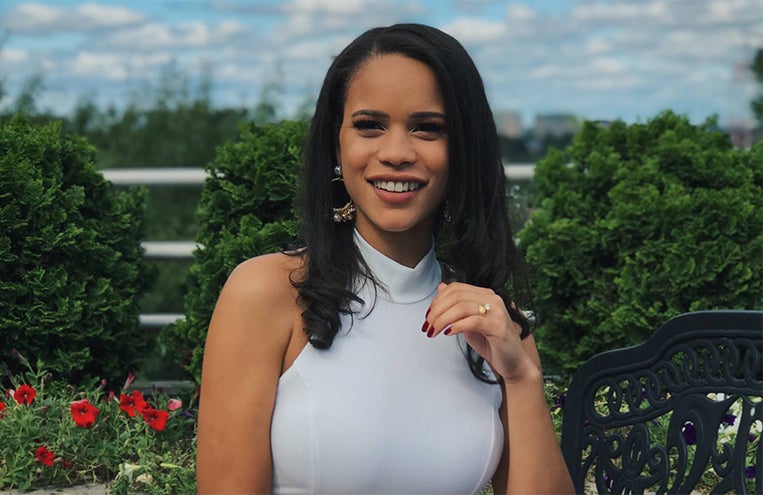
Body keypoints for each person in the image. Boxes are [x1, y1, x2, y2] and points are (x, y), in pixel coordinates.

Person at [196, 23, 574, 494]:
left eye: (428, 128)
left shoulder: (494, 323)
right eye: (369, 125)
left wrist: (520, 377)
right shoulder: (265, 293)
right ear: (337, 144)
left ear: (462, 151)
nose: (396, 153)